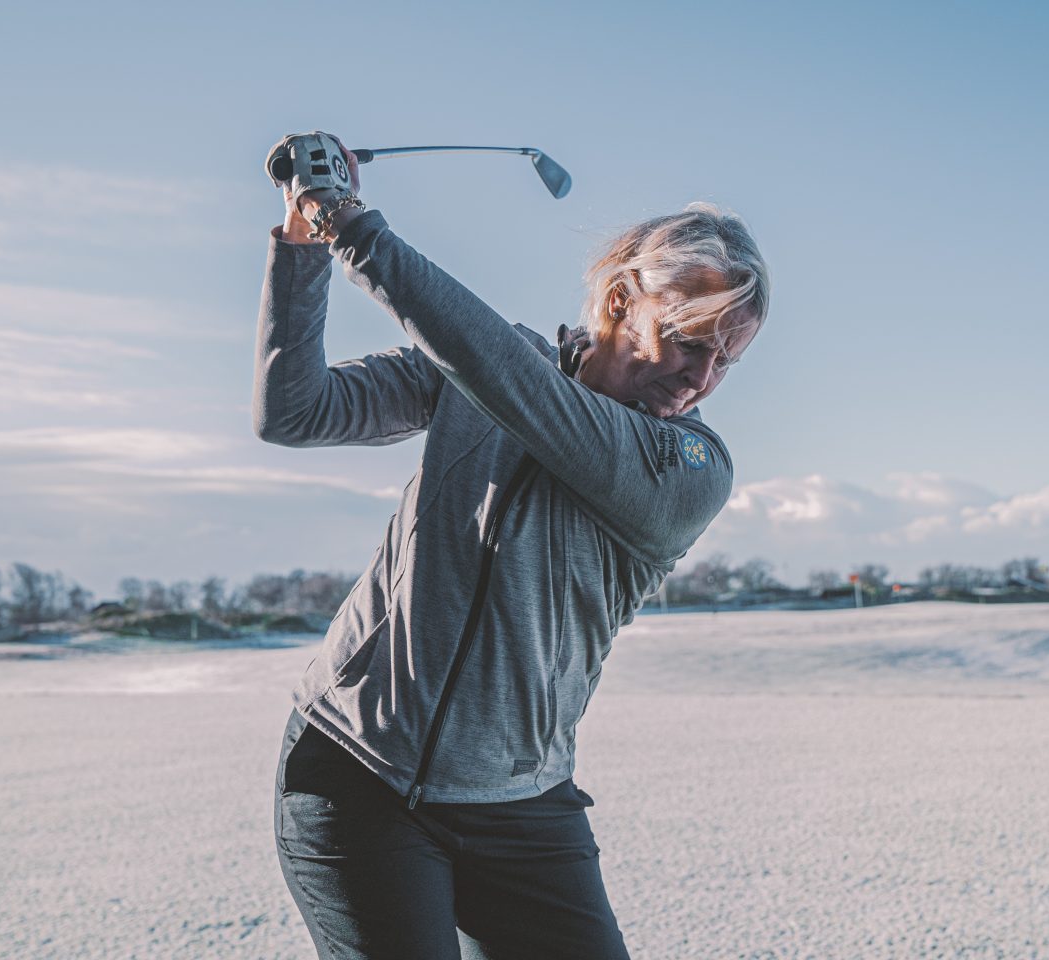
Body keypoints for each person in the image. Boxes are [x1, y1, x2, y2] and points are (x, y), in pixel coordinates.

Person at [255, 136, 770, 960]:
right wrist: (304, 244)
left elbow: (520, 389)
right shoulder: (490, 368)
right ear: (620, 297)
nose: (700, 378)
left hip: (523, 801)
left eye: (725, 359)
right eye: (686, 339)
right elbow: (296, 412)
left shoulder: (689, 469)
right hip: (358, 770)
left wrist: (356, 224)